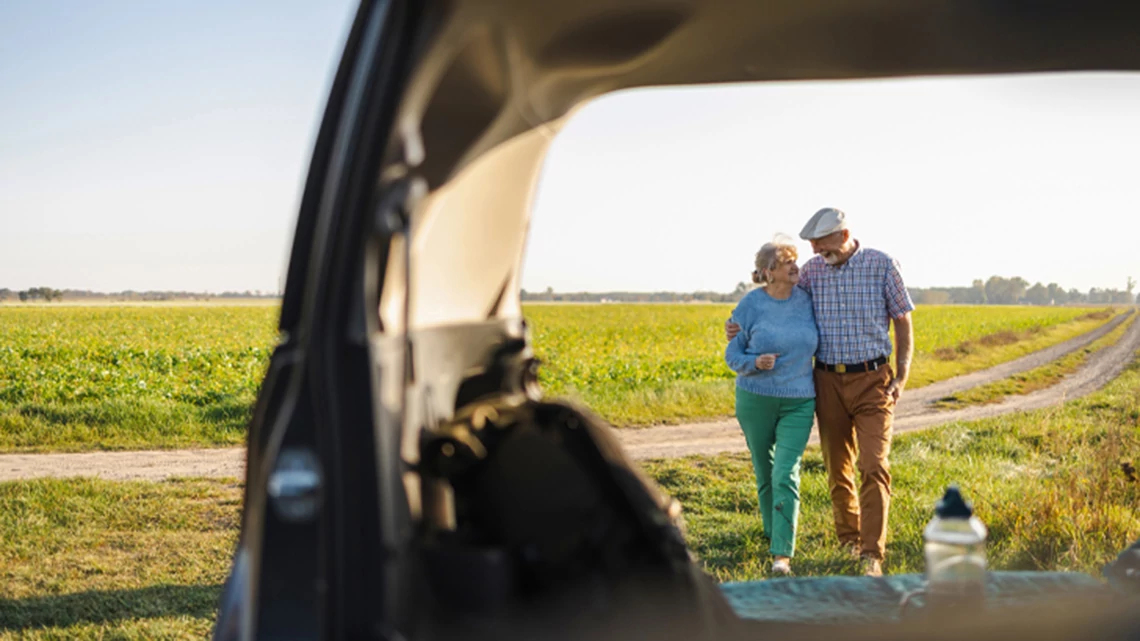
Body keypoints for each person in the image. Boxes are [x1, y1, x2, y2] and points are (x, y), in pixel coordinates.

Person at [726, 208, 914, 577]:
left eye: (821, 243)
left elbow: (903, 319)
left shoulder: (882, 264)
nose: (814, 251)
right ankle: (849, 541)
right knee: (837, 467)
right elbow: (776, 301)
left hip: (873, 379)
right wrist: (738, 328)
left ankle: (872, 554)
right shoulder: (811, 272)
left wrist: (903, 375)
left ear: (843, 235)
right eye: (811, 245)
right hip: (825, 380)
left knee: (874, 463)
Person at [725, 237, 818, 576]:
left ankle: (782, 555)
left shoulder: (808, 300)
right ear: (768, 272)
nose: (796, 266)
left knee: (785, 472)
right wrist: (754, 363)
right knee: (764, 472)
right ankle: (771, 531)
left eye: (796, 259)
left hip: (800, 399)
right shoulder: (750, 306)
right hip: (755, 399)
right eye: (786, 262)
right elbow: (732, 355)